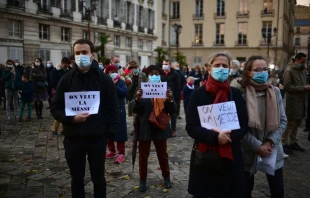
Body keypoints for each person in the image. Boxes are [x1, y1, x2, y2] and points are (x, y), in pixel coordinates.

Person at [50, 39, 119, 198]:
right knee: (77, 179)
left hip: (97, 138)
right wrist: (72, 119)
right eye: (77, 53)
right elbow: (55, 108)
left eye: (84, 52)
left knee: (99, 179)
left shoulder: (104, 80)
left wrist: (108, 134)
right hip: (73, 139)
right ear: (74, 56)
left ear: (92, 55)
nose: (81, 56)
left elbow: (113, 109)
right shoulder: (66, 79)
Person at [186, 52, 248, 198]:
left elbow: (243, 124)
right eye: (217, 65)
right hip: (206, 155)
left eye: (224, 66)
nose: (221, 68)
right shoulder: (198, 94)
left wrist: (229, 136)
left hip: (231, 154)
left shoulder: (235, 94)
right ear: (209, 69)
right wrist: (215, 137)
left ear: (229, 69)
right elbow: (191, 127)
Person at [232, 56, 287, 198]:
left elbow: (282, 121)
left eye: (264, 69)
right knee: (245, 190)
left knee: (278, 190)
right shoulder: (240, 93)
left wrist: (270, 142)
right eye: (257, 70)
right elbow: (237, 125)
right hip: (247, 149)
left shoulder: (274, 91)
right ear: (249, 72)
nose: (262, 72)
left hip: (272, 148)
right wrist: (257, 146)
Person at [131, 65, 176, 192]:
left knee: (163, 154)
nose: (154, 76)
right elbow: (134, 108)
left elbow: (173, 110)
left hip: (160, 126)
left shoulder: (166, 89)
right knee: (143, 155)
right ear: (148, 76)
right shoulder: (142, 89)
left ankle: (166, 177)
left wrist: (170, 100)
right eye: (151, 74)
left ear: (160, 75)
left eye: (156, 73)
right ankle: (142, 179)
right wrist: (138, 99)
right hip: (145, 126)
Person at [282, 52, 308, 154]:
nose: (304, 63)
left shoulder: (302, 71)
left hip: (302, 101)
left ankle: (293, 142)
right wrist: (303, 88)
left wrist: (305, 87)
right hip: (292, 101)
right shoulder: (289, 71)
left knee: (297, 123)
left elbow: (303, 83)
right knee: (290, 123)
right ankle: (284, 143)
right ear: (296, 60)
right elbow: (287, 87)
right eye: (302, 61)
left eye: (305, 61)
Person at [104, 65, 128, 163]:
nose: (113, 73)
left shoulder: (121, 82)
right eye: (110, 72)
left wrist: (114, 86)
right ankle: (112, 151)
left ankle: (121, 153)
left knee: (120, 131)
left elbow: (124, 92)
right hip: (108, 110)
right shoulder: (105, 82)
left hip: (119, 111)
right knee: (109, 131)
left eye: (114, 71)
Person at [125, 61, 148, 135]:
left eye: (136, 67)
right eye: (134, 68)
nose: (135, 69)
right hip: (131, 96)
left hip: (141, 96)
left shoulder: (143, 75)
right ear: (131, 69)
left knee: (140, 112)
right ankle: (136, 128)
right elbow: (126, 87)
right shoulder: (128, 76)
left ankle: (140, 128)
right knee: (134, 113)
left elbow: (146, 84)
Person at [50, 58, 71, 135]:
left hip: (67, 93)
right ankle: (55, 129)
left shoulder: (67, 70)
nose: (67, 66)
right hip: (58, 93)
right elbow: (52, 82)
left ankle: (63, 129)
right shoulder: (55, 71)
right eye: (66, 64)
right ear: (62, 63)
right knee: (59, 111)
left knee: (65, 111)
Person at [161, 59, 181, 137]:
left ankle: (173, 129)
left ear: (170, 65)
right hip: (162, 96)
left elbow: (178, 86)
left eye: (166, 64)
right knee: (163, 112)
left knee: (173, 114)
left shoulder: (175, 74)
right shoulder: (160, 74)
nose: (165, 65)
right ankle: (163, 127)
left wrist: (176, 97)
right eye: (164, 64)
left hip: (172, 96)